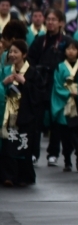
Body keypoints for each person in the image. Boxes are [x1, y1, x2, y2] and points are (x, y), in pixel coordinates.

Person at [28, 9, 74, 167]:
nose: (50, 22)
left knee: (55, 120)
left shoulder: (67, 41)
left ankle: (53, 153)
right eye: (48, 19)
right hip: (39, 84)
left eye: (54, 19)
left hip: (58, 86)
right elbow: (30, 60)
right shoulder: (40, 41)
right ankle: (33, 153)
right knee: (36, 120)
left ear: (61, 22)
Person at [0, 40, 42, 187]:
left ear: (24, 54)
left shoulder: (33, 72)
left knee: (23, 145)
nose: (12, 55)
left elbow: (39, 95)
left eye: (16, 52)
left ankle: (24, 176)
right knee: (8, 144)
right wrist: (4, 83)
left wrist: (25, 83)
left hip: (25, 116)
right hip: (8, 115)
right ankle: (8, 176)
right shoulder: (6, 71)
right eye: (10, 52)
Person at [50, 39, 78, 173]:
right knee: (65, 135)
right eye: (68, 49)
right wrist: (69, 92)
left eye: (74, 49)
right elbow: (57, 85)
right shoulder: (60, 67)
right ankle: (67, 161)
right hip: (65, 103)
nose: (71, 51)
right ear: (64, 51)